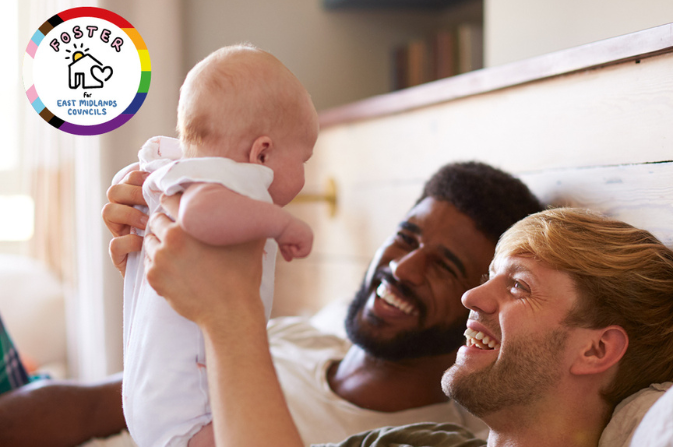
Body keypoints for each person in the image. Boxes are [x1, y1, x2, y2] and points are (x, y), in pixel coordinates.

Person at [144, 207, 673, 447]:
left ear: (597, 349)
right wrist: (160, 224)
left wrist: (229, 315)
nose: (472, 297)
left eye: (518, 286)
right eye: (489, 276)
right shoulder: (416, 443)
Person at [103, 161, 542, 445]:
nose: (404, 269)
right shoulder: (292, 335)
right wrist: (153, 293)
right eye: (405, 239)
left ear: (481, 303)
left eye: (445, 267)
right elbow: (110, 401)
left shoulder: (431, 437)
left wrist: (225, 316)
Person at [123, 44, 318, 447]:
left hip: (156, 398)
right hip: (191, 407)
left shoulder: (179, 169)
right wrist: (282, 224)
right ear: (261, 152)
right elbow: (202, 213)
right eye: (305, 160)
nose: (304, 177)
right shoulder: (230, 179)